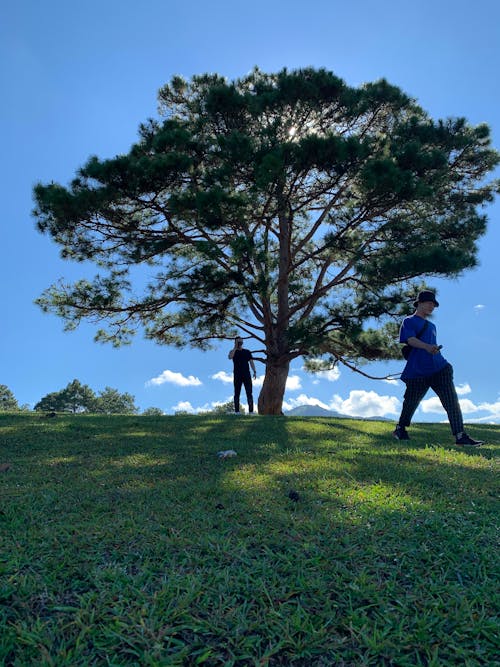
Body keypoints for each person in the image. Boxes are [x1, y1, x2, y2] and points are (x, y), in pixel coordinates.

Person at [393, 290, 483, 447]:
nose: (432, 306)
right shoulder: (409, 321)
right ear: (419, 303)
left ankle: (460, 436)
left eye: (434, 304)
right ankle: (400, 429)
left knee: (451, 402)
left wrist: (434, 350)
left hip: (440, 368)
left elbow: (429, 346)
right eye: (429, 303)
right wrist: (427, 347)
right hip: (417, 372)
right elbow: (410, 340)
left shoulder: (432, 326)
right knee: (411, 402)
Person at [228, 336, 257, 414]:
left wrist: (254, 371)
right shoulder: (232, 351)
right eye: (238, 342)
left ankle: (251, 411)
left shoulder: (247, 352)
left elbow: (251, 362)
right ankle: (237, 412)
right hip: (237, 374)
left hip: (247, 374)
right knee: (237, 393)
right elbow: (230, 357)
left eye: (241, 342)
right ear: (235, 342)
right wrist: (235, 347)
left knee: (249, 393)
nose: (240, 343)